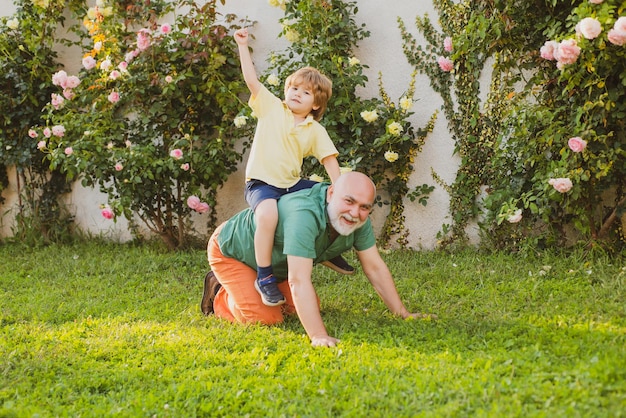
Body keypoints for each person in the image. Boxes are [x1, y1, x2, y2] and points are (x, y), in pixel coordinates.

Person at [201, 171, 437, 347]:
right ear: (331, 192)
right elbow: (298, 280)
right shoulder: (303, 214)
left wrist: (402, 313)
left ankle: (253, 288)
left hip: (277, 263)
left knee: (295, 308)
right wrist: (318, 336)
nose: (355, 213)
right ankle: (221, 295)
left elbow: (374, 267)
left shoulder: (357, 221)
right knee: (265, 319)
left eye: (364, 207)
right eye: (349, 201)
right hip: (233, 251)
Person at [233, 27, 353, 308]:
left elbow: (329, 161)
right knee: (267, 215)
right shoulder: (272, 108)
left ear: (316, 104)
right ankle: (264, 277)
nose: (297, 93)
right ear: (286, 91)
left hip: (290, 183)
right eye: (294, 88)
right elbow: (251, 81)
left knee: (326, 195)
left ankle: (325, 250)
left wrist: (339, 189)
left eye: (306, 92)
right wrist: (242, 45)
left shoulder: (314, 129)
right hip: (261, 183)